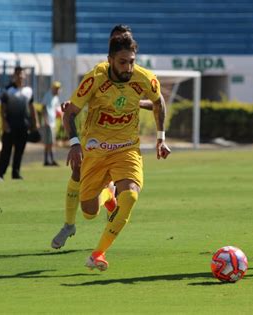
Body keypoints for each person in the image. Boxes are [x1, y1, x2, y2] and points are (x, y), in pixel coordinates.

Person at [62, 33, 170, 271]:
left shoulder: (145, 79)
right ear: (110, 59)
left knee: (130, 196)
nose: (128, 67)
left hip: (127, 149)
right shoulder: (94, 79)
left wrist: (161, 139)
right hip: (95, 151)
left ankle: (98, 253)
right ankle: (107, 196)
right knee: (89, 211)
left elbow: (159, 101)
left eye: (132, 61)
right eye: (123, 62)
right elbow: (70, 112)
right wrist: (74, 143)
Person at [50, 24, 156, 249]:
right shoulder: (99, 74)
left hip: (122, 145)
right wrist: (73, 112)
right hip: (94, 139)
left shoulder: (137, 76)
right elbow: (85, 101)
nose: (127, 65)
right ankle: (70, 223)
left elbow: (150, 100)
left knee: (128, 192)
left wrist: (138, 104)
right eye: (116, 39)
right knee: (80, 182)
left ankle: (101, 242)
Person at [0, 66, 38, 181]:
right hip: (10, 126)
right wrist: (4, 123)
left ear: (24, 76)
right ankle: (0, 174)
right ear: (14, 76)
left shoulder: (28, 91)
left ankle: (16, 173)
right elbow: (2, 108)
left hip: (23, 126)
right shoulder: (8, 90)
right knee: (6, 150)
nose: (20, 76)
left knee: (19, 151)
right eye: (18, 74)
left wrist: (35, 123)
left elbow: (31, 107)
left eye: (22, 74)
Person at [41, 81, 62, 166]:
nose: (58, 90)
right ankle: (51, 160)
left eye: (58, 88)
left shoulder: (56, 98)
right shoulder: (48, 95)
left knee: (49, 143)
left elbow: (58, 109)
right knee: (51, 142)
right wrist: (46, 120)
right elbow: (43, 108)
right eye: (56, 88)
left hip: (52, 122)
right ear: (53, 88)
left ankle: (47, 161)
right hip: (48, 123)